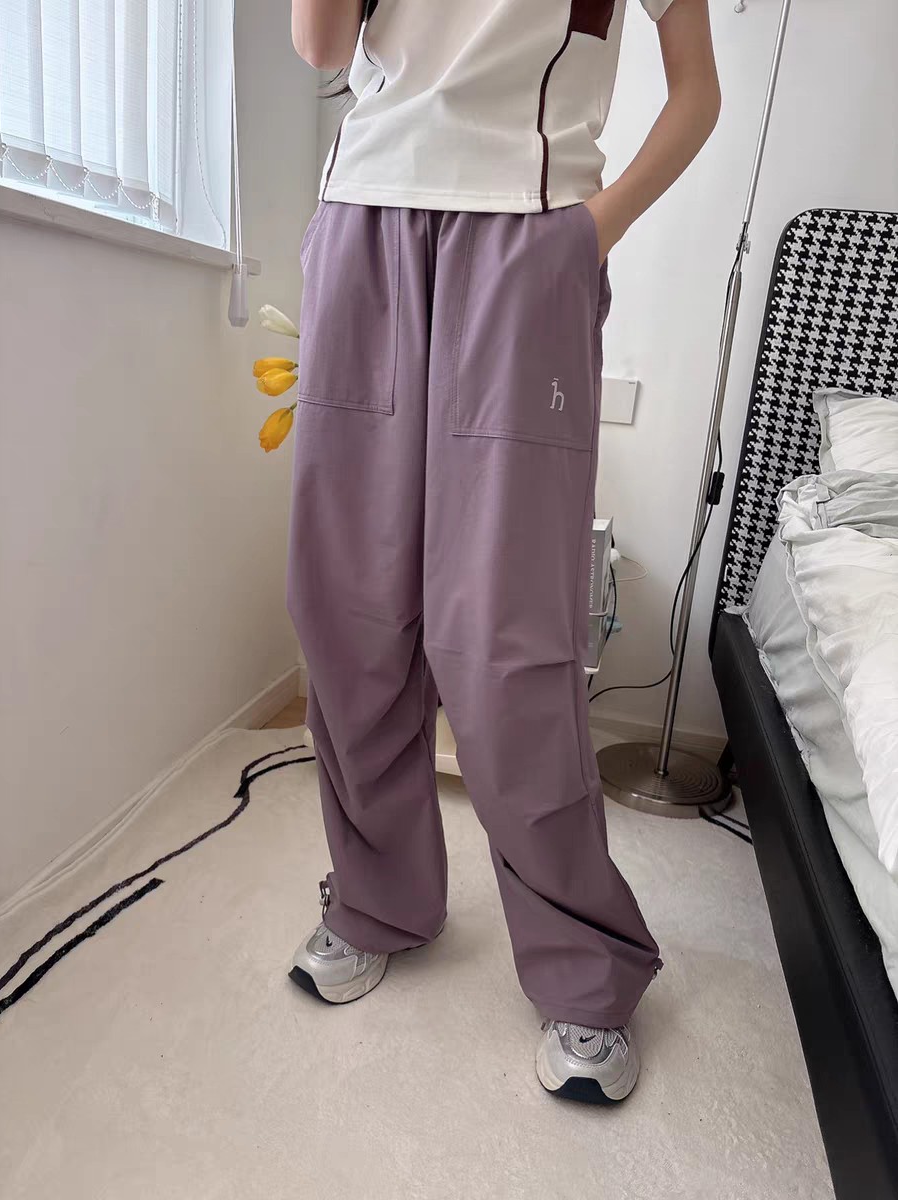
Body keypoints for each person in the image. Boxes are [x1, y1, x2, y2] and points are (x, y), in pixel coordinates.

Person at [286, 0, 720, 1104]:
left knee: (506, 632)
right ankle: (377, 899)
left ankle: (584, 964)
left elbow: (696, 90)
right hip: (363, 220)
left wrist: (592, 230)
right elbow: (322, 48)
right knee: (348, 604)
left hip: (527, 232)